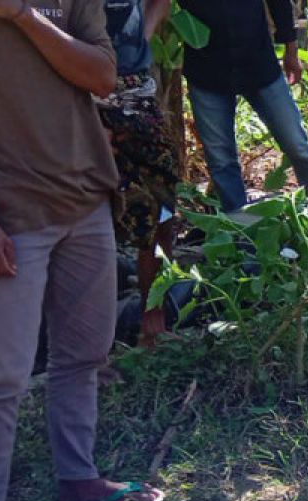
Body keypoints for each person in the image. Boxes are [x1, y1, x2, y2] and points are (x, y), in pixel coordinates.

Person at [0, 0, 165, 501]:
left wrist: (24, 17)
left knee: (84, 351)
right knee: (2, 374)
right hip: (10, 211)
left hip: (86, 194)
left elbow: (101, 75)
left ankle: (77, 476)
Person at [178, 0, 308, 212]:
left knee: (297, 144)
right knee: (221, 161)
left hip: (260, 66)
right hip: (206, 71)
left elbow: (279, 4)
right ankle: (239, 225)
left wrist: (291, 50)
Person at [99, 0, 178, 348]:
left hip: (138, 90)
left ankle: (153, 311)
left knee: (162, 206)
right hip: (82, 94)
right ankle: (90, 341)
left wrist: (143, 36)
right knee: (90, 213)